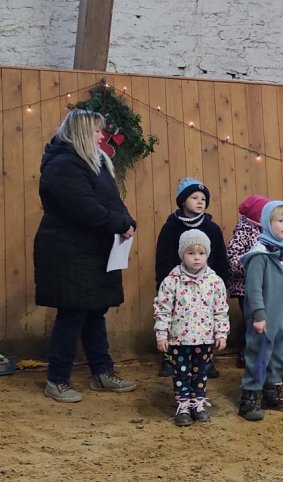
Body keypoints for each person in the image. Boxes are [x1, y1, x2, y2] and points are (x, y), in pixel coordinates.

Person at [35, 109, 138, 403]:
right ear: (81, 132)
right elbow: (84, 208)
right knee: (73, 313)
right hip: (69, 252)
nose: (100, 136)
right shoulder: (63, 166)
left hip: (92, 250)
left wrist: (128, 221)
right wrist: (121, 224)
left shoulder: (96, 162)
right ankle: (57, 379)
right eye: (96, 131)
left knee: (95, 310)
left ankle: (102, 372)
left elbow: (112, 201)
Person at [154, 177, 229, 378]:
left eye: (203, 198)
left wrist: (223, 282)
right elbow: (163, 257)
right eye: (194, 197)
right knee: (176, 321)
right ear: (182, 200)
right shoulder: (171, 227)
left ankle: (206, 360)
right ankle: (170, 358)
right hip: (179, 285)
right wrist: (163, 283)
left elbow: (220, 257)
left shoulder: (212, 228)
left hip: (206, 286)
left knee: (206, 322)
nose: (200, 201)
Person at [153, 229, 230, 426]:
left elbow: (221, 310)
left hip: (205, 339)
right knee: (181, 372)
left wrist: (221, 333)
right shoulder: (172, 281)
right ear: (182, 254)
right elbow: (163, 309)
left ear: (207, 255)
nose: (196, 257)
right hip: (179, 339)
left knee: (201, 372)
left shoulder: (215, 282)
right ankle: (183, 405)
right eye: (191, 253)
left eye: (201, 253)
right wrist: (162, 334)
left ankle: (198, 402)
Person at [238, 200, 283, 422]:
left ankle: (272, 391)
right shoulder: (259, 255)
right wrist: (258, 314)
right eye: (280, 221)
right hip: (264, 319)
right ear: (267, 223)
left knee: (277, 356)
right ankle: (250, 397)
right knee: (258, 355)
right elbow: (253, 289)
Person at [226, 194, 268, 368]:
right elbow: (232, 257)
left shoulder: (265, 230)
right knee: (250, 319)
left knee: (261, 318)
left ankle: (261, 351)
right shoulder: (243, 231)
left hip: (264, 285)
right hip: (245, 287)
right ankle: (245, 352)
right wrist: (252, 267)